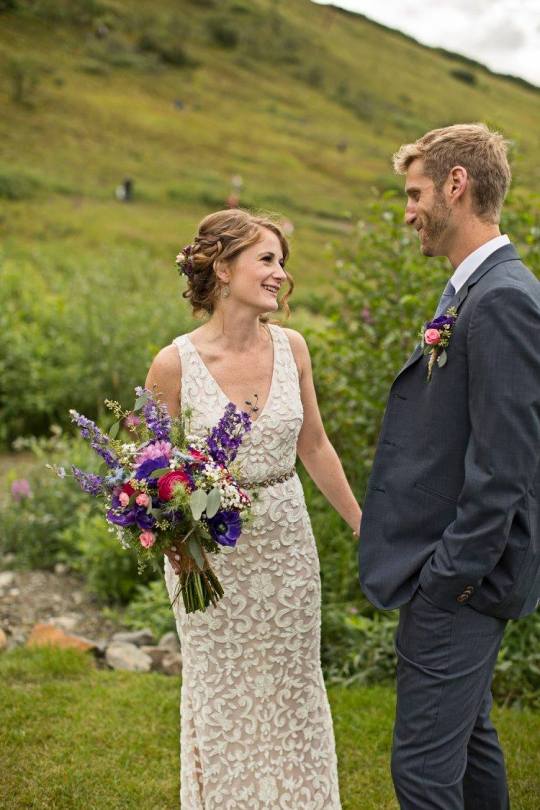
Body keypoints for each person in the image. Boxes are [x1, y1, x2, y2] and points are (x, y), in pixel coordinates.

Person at [145, 209, 361, 809]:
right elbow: (148, 480)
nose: (279, 274)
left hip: (289, 547)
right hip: (211, 561)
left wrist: (362, 525)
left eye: (281, 262)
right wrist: (178, 551)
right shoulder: (174, 364)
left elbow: (313, 444)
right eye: (266, 259)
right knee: (224, 694)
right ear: (222, 267)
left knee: (293, 689)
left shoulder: (293, 348)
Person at [359, 123, 540, 809]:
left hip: (461, 582)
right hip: (455, 575)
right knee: (468, 748)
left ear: (455, 186)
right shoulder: (474, 289)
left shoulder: (502, 300)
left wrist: (448, 580)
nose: (407, 212)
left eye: (414, 193)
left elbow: (506, 466)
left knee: (425, 775)